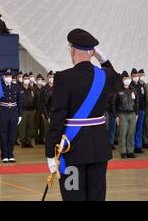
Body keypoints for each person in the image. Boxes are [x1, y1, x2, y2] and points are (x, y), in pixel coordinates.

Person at [46, 28, 118, 201]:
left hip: (73, 151)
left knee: (74, 196)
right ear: (93, 53)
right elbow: (118, 81)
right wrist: (104, 60)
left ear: (72, 51)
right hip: (99, 150)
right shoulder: (105, 75)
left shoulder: (64, 77)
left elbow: (57, 118)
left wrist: (50, 153)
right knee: (96, 197)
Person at [0, 69, 22, 163]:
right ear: (3, 77)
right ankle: (4, 155)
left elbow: (19, 101)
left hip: (13, 112)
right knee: (3, 134)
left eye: (10, 76)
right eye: (6, 76)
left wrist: (20, 114)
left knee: (12, 135)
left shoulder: (16, 87)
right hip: (3, 112)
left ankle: (10, 154)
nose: (8, 78)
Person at [113, 71, 138, 158]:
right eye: (125, 78)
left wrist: (136, 113)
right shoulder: (118, 90)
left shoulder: (133, 90)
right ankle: (123, 151)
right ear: (122, 80)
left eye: (128, 78)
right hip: (122, 114)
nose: (127, 80)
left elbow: (136, 102)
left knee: (131, 133)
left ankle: (130, 150)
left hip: (132, 114)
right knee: (122, 133)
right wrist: (116, 116)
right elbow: (114, 104)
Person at [131, 68, 146, 153]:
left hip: (141, 110)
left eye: (137, 76)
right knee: (133, 129)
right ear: (131, 76)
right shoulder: (131, 86)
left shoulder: (141, 86)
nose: (136, 77)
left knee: (139, 128)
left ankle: (138, 146)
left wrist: (143, 108)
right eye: (134, 76)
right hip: (133, 111)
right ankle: (132, 146)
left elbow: (143, 97)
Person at [19, 73, 35, 148]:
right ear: (23, 80)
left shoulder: (32, 89)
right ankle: (23, 142)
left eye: (27, 78)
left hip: (31, 110)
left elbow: (35, 100)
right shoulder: (19, 89)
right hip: (23, 111)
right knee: (23, 127)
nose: (26, 80)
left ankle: (29, 141)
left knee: (30, 127)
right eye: (25, 78)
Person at [34, 74, 45, 144]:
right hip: (36, 110)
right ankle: (36, 140)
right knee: (36, 126)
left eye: (41, 80)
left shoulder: (44, 89)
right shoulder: (34, 89)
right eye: (38, 79)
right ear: (36, 80)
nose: (40, 81)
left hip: (43, 110)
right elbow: (33, 100)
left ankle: (41, 139)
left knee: (42, 126)